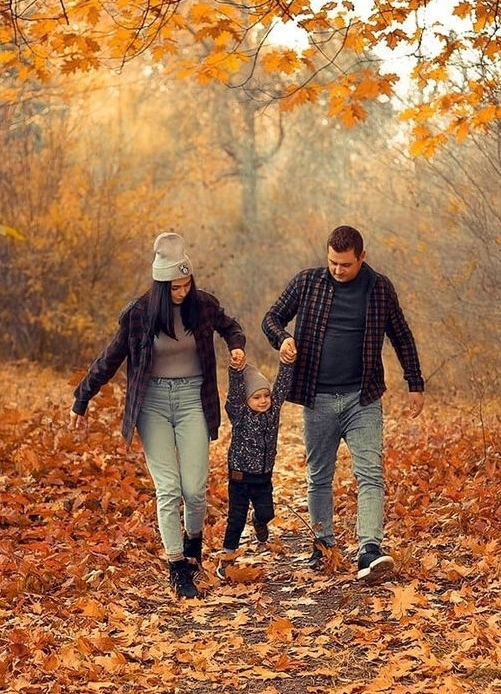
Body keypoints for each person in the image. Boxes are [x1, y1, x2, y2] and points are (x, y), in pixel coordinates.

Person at [68, 232, 246, 599]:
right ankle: (177, 567)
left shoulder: (203, 306)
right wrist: (81, 398)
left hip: (193, 398)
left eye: (186, 284)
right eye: (175, 287)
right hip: (152, 405)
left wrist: (237, 347)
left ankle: (194, 543)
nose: (182, 292)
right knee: (169, 489)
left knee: (195, 491)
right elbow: (109, 359)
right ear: (162, 287)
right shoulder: (139, 315)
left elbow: (231, 327)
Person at [262, 224, 424, 583]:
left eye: (346, 264)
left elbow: (402, 336)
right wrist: (283, 339)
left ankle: (370, 549)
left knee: (369, 473)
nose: (338, 270)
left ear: (361, 258)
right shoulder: (307, 283)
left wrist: (415, 383)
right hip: (316, 397)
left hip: (362, 397)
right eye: (333, 262)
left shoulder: (379, 288)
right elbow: (270, 319)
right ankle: (323, 544)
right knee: (319, 475)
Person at [215, 357, 296, 579]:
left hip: (263, 478)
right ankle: (227, 559)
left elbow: (282, 384)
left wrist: (288, 362)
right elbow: (234, 394)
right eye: (256, 397)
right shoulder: (239, 415)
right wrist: (235, 370)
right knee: (236, 520)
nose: (263, 401)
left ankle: (259, 523)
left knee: (266, 513)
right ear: (246, 399)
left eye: (266, 396)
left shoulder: (273, 411)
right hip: (240, 479)